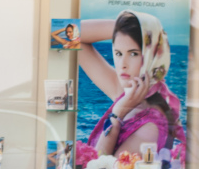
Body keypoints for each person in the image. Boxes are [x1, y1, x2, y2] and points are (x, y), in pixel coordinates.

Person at [77, 11, 185, 161]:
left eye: (133, 54)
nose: (123, 65)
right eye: (118, 53)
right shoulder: (128, 94)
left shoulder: (151, 128)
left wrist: (117, 114)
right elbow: (63, 34)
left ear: (150, 56)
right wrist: (124, 27)